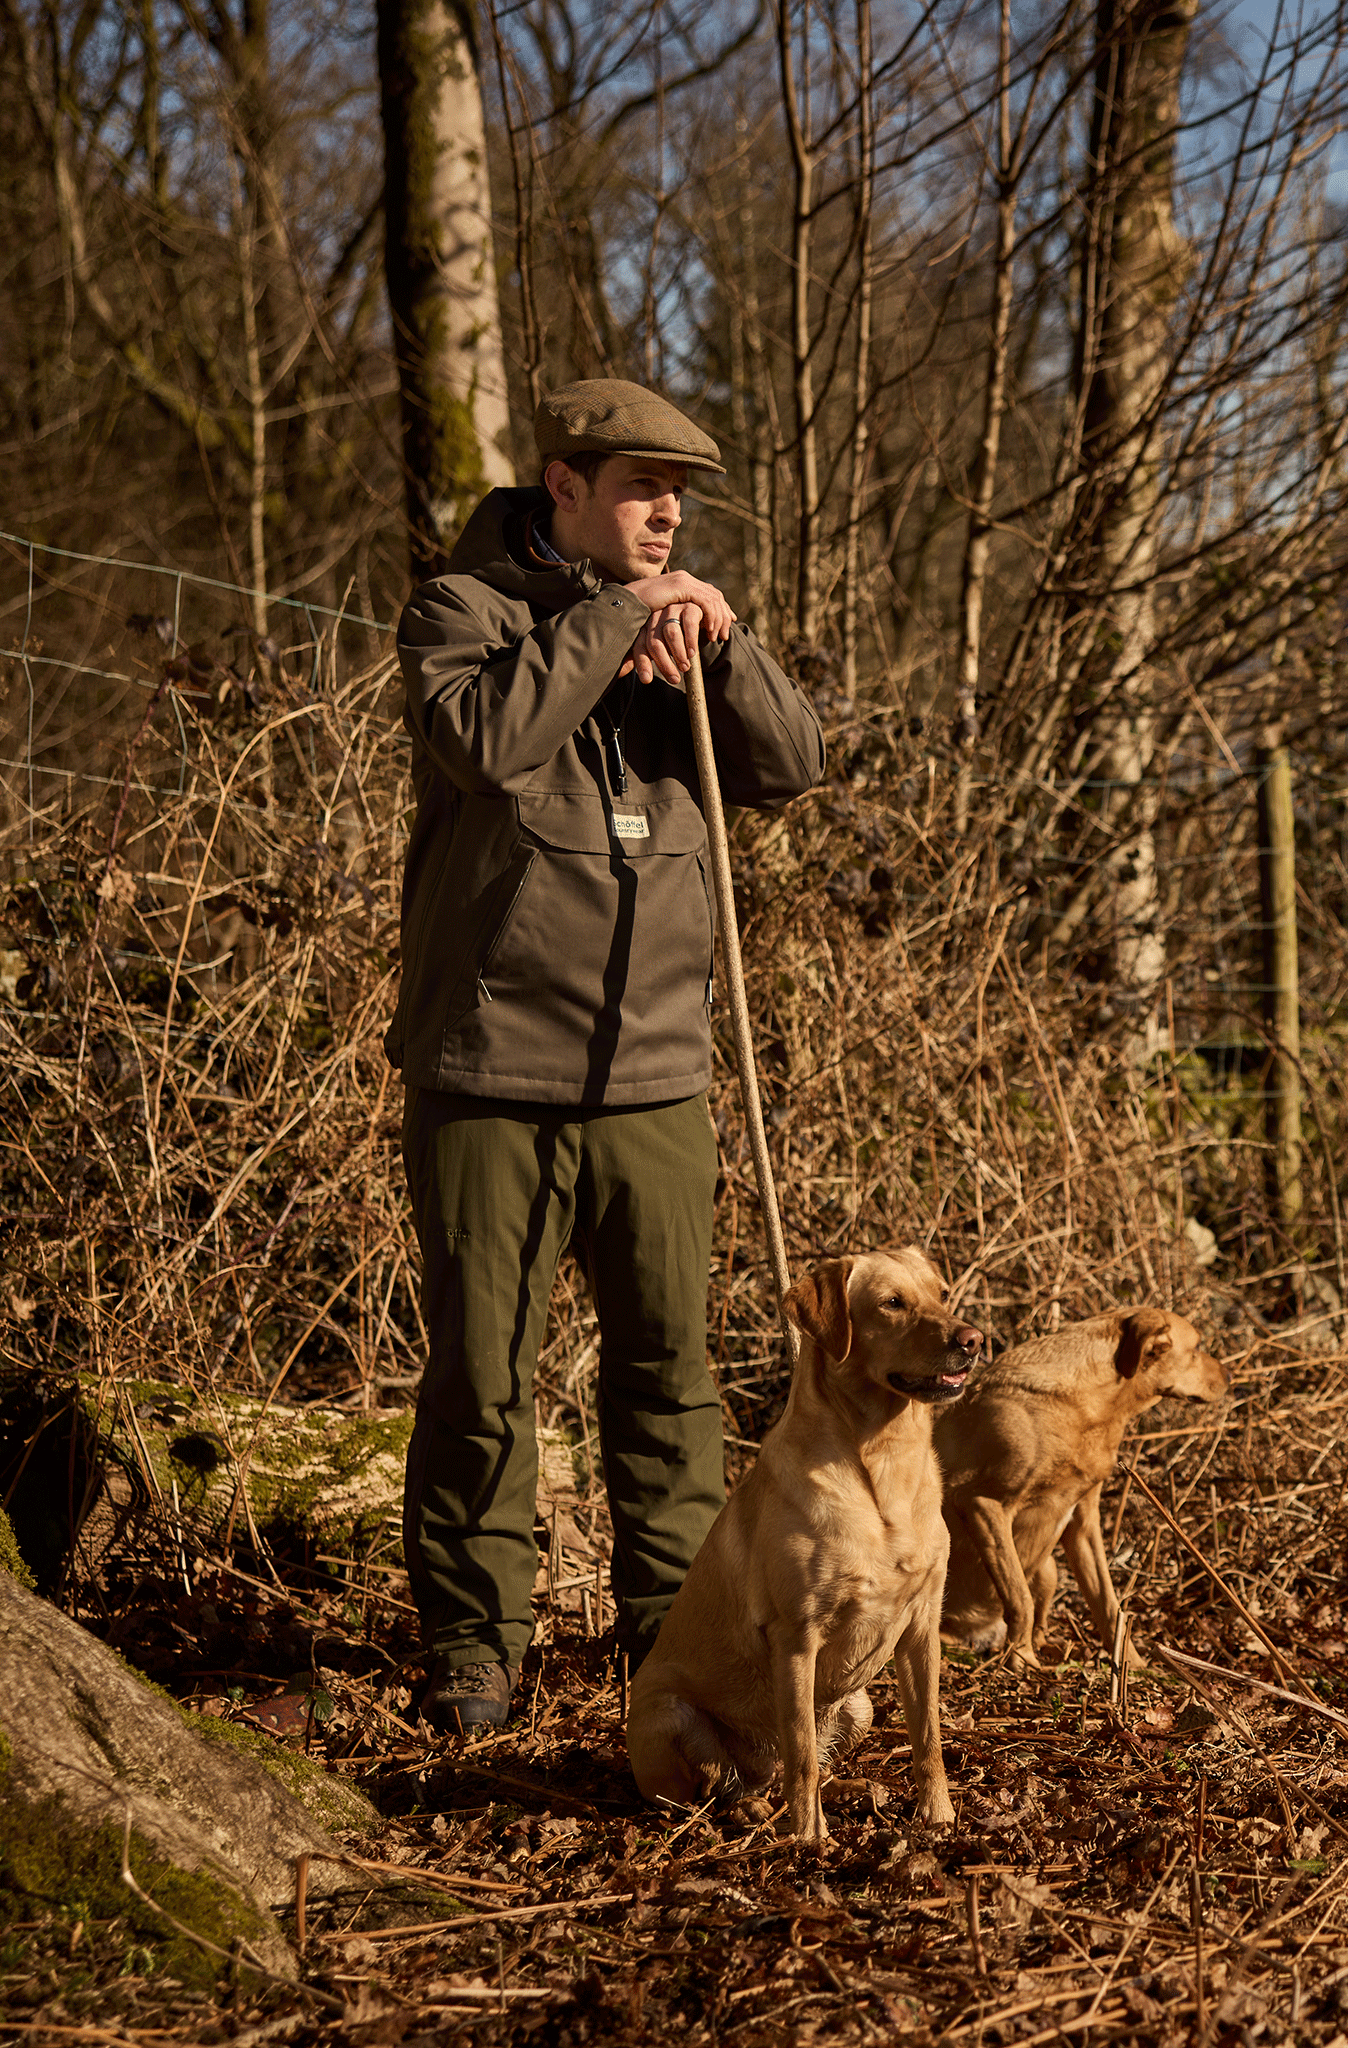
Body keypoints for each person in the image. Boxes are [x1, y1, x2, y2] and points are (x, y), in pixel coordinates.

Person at [387, 378, 824, 1734]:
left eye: (678, 494)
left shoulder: (677, 628)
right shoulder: (461, 612)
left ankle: (678, 1647)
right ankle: (476, 1650)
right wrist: (608, 621)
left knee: (669, 1385)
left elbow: (791, 767)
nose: (667, 514)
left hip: (656, 1083)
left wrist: (722, 648)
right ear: (564, 487)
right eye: (642, 487)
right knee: (481, 1378)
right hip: (488, 1074)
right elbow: (485, 744)